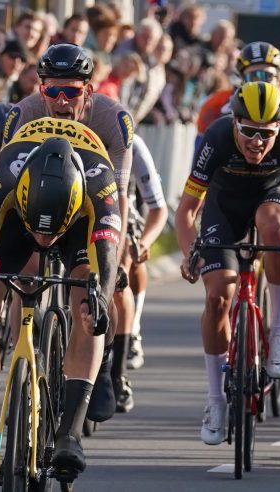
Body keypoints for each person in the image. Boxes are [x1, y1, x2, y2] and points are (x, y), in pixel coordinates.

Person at [0, 118, 120, 489]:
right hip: (16, 219)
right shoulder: (6, 176)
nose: (44, 239)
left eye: (50, 232)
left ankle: (71, 432)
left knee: (87, 302)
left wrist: (102, 299)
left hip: (77, 225)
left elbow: (106, 257)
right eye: (39, 231)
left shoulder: (100, 186)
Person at [177, 81, 280, 445]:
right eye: (248, 131)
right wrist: (189, 250)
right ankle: (215, 401)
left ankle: (279, 331)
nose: (257, 141)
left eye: (266, 134)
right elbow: (187, 210)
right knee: (217, 297)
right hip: (225, 205)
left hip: (274, 195)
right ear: (234, 122)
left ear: (279, 129)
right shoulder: (217, 136)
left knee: (271, 223)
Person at [3, 42, 135, 425]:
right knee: (25, 274)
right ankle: (22, 361)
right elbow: (5, 192)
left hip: (91, 210)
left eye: (72, 92)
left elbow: (119, 200)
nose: (62, 101)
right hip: (33, 208)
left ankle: (102, 362)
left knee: (90, 288)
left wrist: (118, 255)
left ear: (88, 92)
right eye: (52, 91)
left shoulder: (114, 120)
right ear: (40, 89)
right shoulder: (22, 115)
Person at [112, 133, 168, 404]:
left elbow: (158, 208)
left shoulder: (131, 143)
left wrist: (143, 242)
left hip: (124, 208)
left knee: (128, 259)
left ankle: (130, 331)